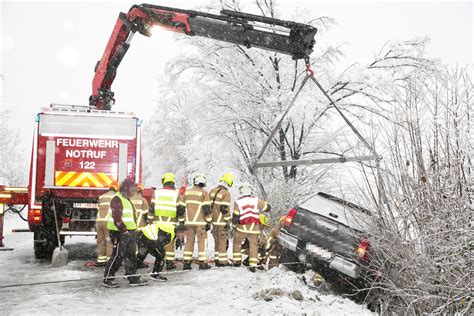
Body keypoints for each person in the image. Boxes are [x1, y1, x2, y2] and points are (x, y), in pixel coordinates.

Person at [103, 178, 148, 288]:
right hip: (120, 232)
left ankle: (132, 277)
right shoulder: (117, 199)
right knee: (118, 255)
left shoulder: (126, 199)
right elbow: (116, 217)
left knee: (131, 255)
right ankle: (108, 278)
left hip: (129, 232)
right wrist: (124, 230)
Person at [148, 172, 185, 270]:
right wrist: (181, 224)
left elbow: (151, 208)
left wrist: (150, 220)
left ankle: (160, 261)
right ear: (172, 182)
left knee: (159, 243)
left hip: (157, 223)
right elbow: (180, 210)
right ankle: (169, 263)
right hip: (170, 224)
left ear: (164, 182)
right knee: (169, 244)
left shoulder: (157, 193)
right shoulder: (176, 194)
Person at [232, 183, 271, 272]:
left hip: (242, 227)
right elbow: (267, 207)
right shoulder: (256, 200)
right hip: (254, 228)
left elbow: (235, 216)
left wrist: (234, 226)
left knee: (237, 243)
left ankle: (237, 262)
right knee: (254, 246)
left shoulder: (238, 201)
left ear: (241, 191)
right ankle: (253, 265)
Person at [180, 173, 212, 270]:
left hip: (189, 223)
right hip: (200, 223)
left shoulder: (187, 193)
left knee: (189, 242)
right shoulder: (204, 193)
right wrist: (209, 222)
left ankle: (186, 263)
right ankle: (202, 263)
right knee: (202, 242)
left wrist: (182, 221)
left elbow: (181, 208)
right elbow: (207, 209)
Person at [209, 173, 234, 267]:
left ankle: (217, 259)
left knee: (216, 241)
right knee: (223, 241)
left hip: (213, 221)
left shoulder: (212, 191)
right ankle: (222, 261)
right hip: (221, 221)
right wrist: (228, 221)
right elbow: (225, 209)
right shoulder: (226, 193)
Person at [95, 181, 118, 266]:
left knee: (100, 240)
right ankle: (110, 260)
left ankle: (101, 260)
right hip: (107, 221)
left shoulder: (102, 196)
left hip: (99, 221)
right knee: (109, 240)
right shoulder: (115, 196)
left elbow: (99, 207)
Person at [131, 182, 150, 269]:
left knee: (132, 244)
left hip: (130, 226)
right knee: (141, 245)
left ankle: (131, 261)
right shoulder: (143, 200)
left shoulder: (129, 199)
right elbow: (146, 214)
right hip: (140, 227)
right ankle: (138, 262)